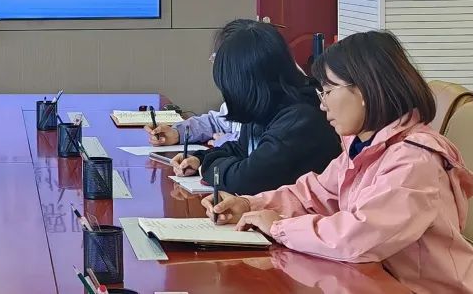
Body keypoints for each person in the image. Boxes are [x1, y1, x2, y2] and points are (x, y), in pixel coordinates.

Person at [204, 31, 473, 293]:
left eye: (328, 91)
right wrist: (250, 205)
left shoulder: (414, 160)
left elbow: (359, 236)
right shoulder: (363, 147)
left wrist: (277, 226)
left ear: (365, 90)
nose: (322, 105)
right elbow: (313, 194)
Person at [170, 19, 340, 194]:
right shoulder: (266, 104)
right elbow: (242, 150)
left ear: (241, 82)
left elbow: (246, 179)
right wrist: (200, 158)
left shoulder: (300, 119)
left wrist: (207, 168)